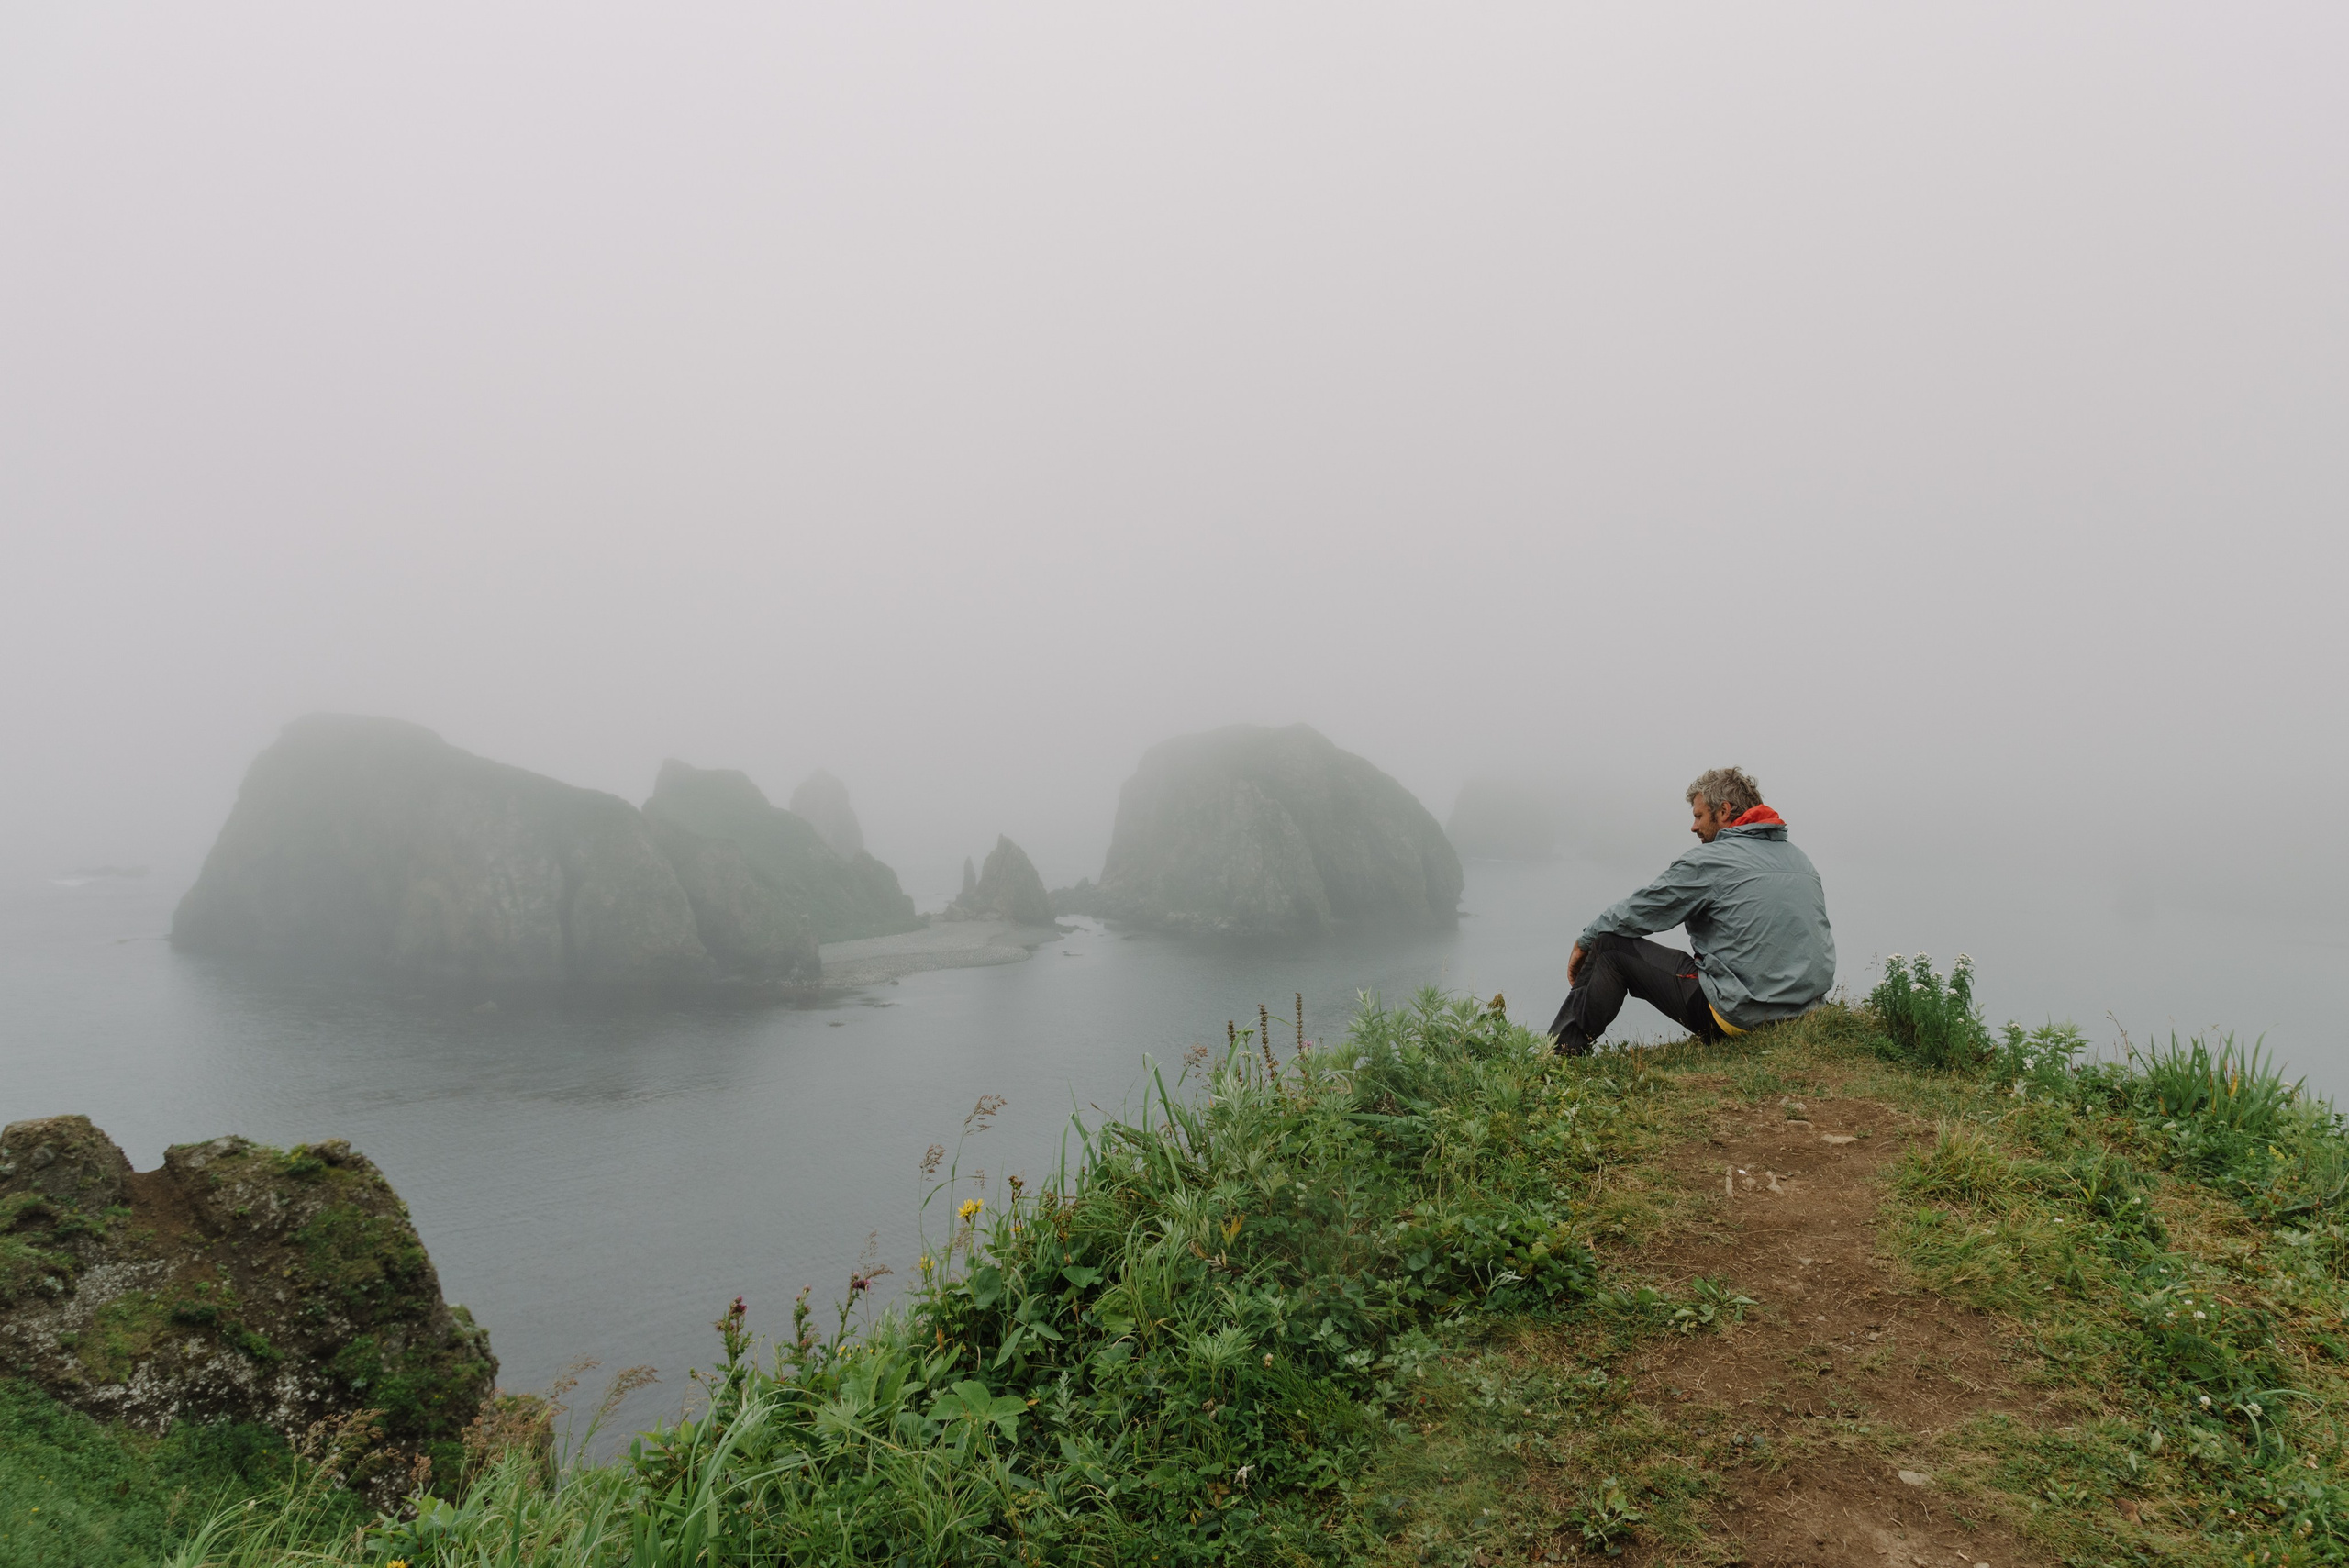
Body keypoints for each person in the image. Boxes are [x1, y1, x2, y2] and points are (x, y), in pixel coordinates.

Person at [1548, 767, 1834, 1056]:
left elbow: (1642, 909)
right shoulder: (1800, 860)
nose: (1694, 827)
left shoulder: (1711, 861)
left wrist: (1585, 941)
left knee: (1609, 948)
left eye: (1698, 816)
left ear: (1723, 811)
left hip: (1738, 1017)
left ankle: (1559, 1057)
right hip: (1805, 1012)